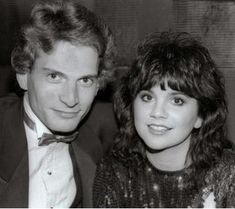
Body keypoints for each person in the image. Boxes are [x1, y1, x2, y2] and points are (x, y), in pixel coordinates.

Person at [93, 32, 235, 208]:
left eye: (177, 101)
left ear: (201, 116)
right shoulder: (114, 172)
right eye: (147, 97)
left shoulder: (228, 173)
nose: (157, 112)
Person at [0, 0, 117, 207]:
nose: (71, 99)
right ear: (23, 75)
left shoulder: (102, 133)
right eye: (55, 76)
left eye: (85, 80)